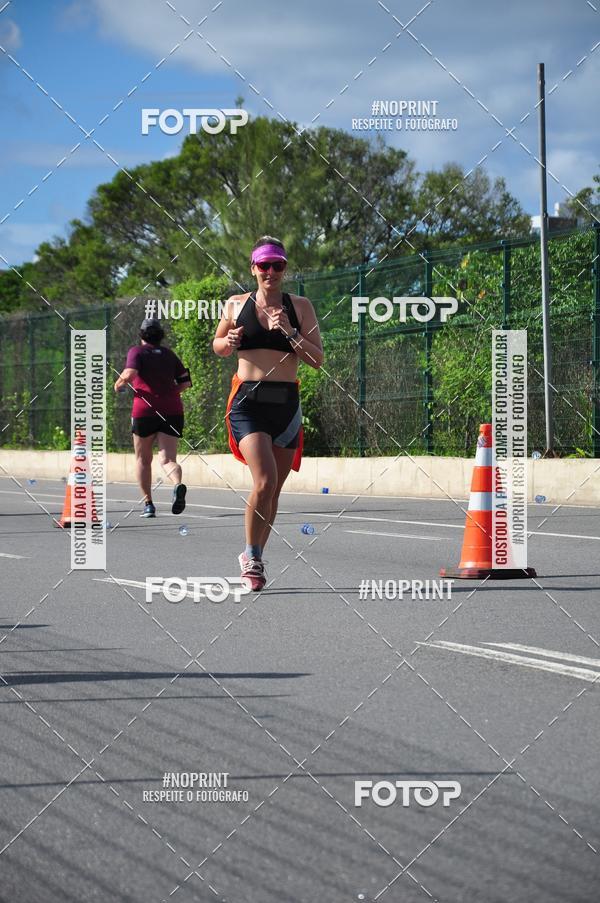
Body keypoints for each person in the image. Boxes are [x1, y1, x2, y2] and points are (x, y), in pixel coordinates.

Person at [213, 236, 323, 590]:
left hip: (286, 403)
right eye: (264, 265)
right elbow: (217, 345)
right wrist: (227, 343)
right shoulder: (234, 305)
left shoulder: (300, 306)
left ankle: (256, 553)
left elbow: (317, 359)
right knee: (263, 481)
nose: (271, 271)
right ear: (253, 268)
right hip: (248, 401)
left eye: (278, 265)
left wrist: (290, 332)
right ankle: (252, 556)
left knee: (273, 491)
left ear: (285, 269)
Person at [114, 317, 191, 518]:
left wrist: (119, 384)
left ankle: (148, 504)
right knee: (167, 459)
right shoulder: (169, 354)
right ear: (161, 336)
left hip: (145, 411)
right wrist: (168, 392)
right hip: (172, 410)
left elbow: (130, 373)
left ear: (141, 335)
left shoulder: (136, 352)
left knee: (143, 459)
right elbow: (185, 383)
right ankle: (178, 484)